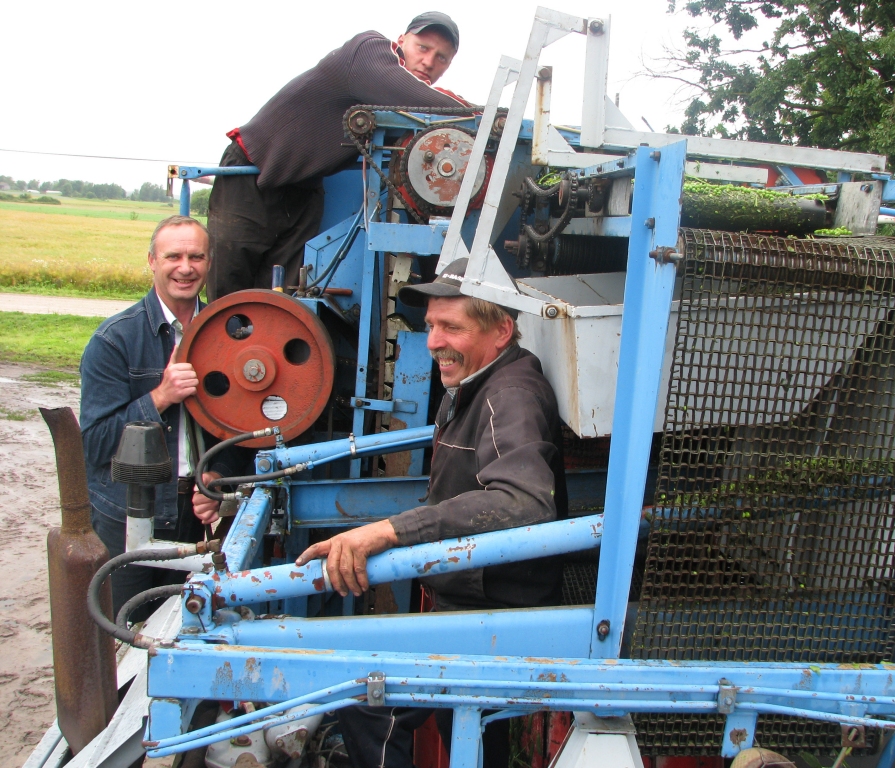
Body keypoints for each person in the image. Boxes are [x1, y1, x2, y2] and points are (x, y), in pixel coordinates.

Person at [295, 257, 567, 768]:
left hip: (498, 614)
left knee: (370, 702)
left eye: (451, 328)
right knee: (462, 730)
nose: (434, 341)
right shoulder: (470, 384)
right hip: (469, 599)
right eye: (431, 327)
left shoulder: (508, 395)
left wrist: (393, 530)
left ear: (502, 330)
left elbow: (525, 501)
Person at [206, 12, 466, 301]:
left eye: (442, 58)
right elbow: (425, 100)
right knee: (227, 295)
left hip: (304, 191)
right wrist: (485, 115)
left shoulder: (403, 110)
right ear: (402, 40)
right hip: (250, 174)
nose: (429, 62)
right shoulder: (367, 51)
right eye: (423, 48)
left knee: (281, 299)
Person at [80, 215, 241, 617]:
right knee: (124, 634)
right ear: (152, 261)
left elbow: (247, 428)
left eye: (196, 256)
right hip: (126, 520)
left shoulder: (233, 333)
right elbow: (96, 443)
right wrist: (161, 396)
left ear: (209, 263)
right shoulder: (114, 340)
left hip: (190, 517)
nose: (185, 268)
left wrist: (217, 475)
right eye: (174, 256)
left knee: (181, 630)